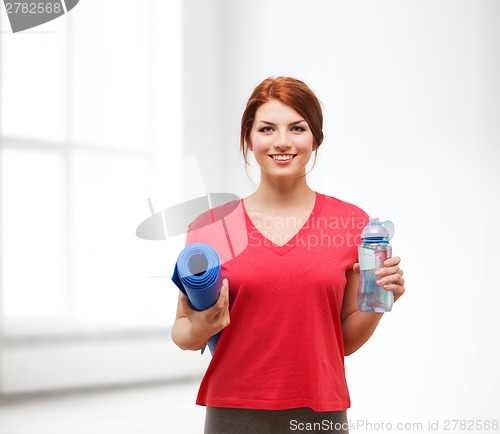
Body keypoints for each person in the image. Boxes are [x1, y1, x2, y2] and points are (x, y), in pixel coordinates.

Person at [172, 76, 406, 434]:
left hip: (319, 413)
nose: (282, 142)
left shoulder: (351, 224)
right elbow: (183, 333)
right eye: (267, 129)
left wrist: (379, 300)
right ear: (248, 139)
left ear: (315, 138)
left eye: (297, 128)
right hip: (233, 411)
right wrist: (202, 327)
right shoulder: (211, 227)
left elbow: (341, 343)